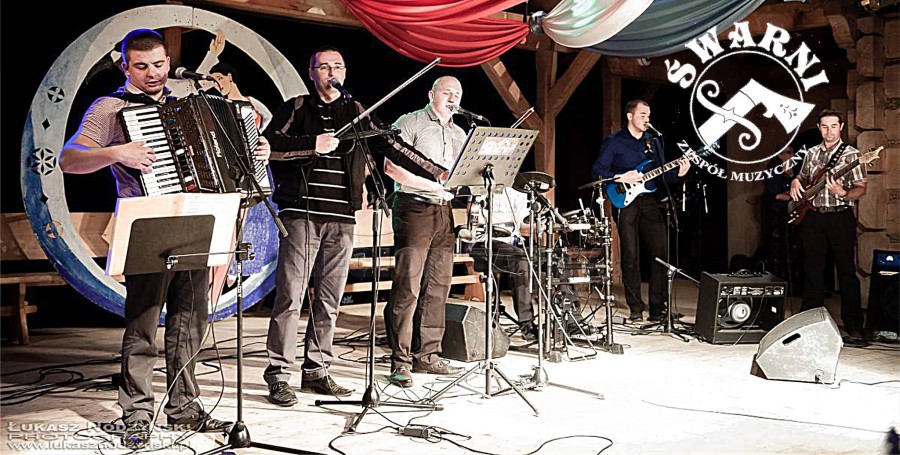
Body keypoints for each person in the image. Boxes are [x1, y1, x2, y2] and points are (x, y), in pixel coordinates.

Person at [58, 29, 270, 450]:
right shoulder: (110, 108)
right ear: (125, 67)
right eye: (141, 66)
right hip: (148, 224)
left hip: (197, 219)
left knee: (191, 320)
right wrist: (116, 153)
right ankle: (136, 412)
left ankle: (184, 406)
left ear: (168, 62)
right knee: (143, 323)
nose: (152, 73)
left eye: (158, 64)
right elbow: (69, 159)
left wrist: (255, 150)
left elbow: (229, 148)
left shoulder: (189, 102)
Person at [262, 47, 447, 405]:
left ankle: (317, 370)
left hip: (343, 217)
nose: (331, 72)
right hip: (302, 213)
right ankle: (279, 374)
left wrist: (436, 171)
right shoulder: (297, 107)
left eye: (338, 66)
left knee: (329, 299)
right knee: (291, 296)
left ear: (345, 72)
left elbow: (392, 144)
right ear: (312, 72)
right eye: (324, 66)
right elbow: (270, 146)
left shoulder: (356, 110)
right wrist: (312, 145)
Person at [383, 76, 468, 388]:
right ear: (432, 94)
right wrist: (433, 185)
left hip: (444, 211)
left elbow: (462, 175)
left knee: (438, 285)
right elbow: (392, 167)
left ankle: (428, 355)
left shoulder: (460, 133)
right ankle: (400, 360)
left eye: (457, 93)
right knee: (408, 285)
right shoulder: (411, 122)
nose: (453, 98)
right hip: (414, 207)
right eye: (447, 92)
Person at [591, 99, 689, 323]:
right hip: (625, 202)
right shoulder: (615, 141)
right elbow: (597, 170)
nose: (647, 119)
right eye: (642, 115)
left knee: (660, 253)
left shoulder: (652, 142)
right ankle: (635, 308)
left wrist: (679, 173)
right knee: (631, 255)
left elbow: (662, 175)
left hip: (649, 201)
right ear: (630, 116)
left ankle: (658, 309)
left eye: (648, 115)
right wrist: (620, 177)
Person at [789, 109, 867, 345]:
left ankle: (854, 327)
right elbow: (803, 178)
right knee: (812, 269)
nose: (829, 131)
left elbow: (861, 188)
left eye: (833, 126)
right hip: (813, 216)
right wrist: (795, 181)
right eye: (825, 127)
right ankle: (808, 323)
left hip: (840, 216)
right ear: (819, 128)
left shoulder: (853, 155)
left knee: (846, 271)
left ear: (841, 127)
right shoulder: (811, 153)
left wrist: (842, 192)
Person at [468, 186, 538, 341]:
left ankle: (572, 319)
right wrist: (511, 217)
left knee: (556, 255)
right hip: (486, 242)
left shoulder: (518, 192)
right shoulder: (481, 187)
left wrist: (539, 223)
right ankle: (526, 322)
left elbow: (522, 224)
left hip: (514, 242)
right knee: (519, 258)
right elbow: (475, 217)